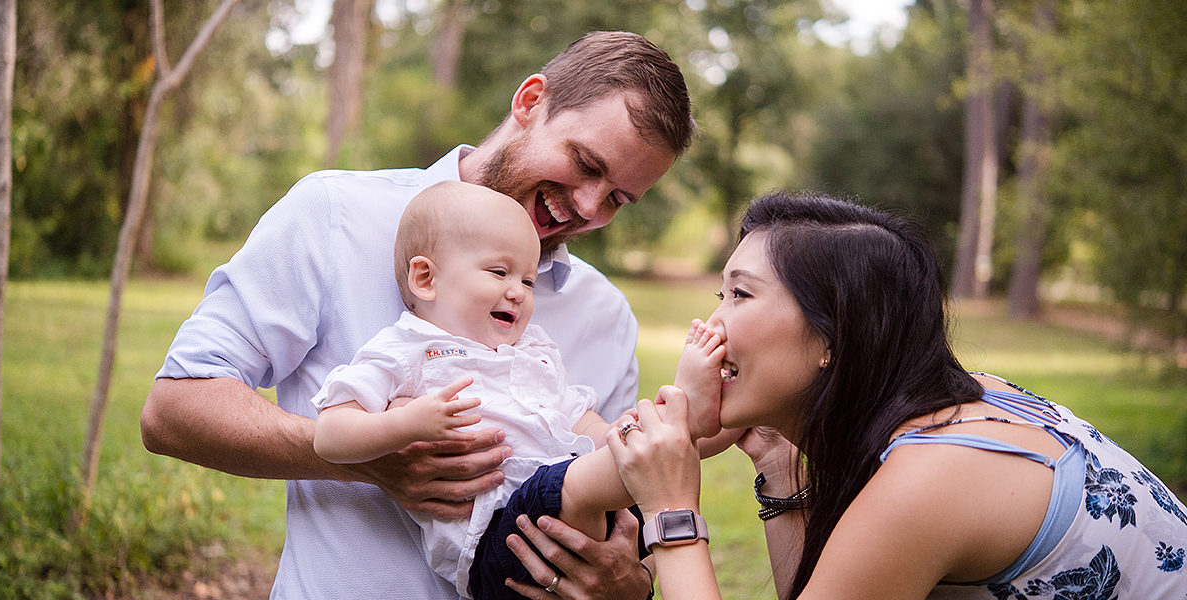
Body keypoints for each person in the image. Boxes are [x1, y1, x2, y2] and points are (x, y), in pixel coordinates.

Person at [140, 31, 695, 599]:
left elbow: (628, 507)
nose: (585, 205)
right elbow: (174, 408)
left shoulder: (606, 314)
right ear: (530, 102)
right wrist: (366, 456)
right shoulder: (335, 216)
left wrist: (631, 584)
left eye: (617, 199)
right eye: (584, 163)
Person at [515, 190, 1187, 599]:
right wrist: (780, 470)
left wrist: (670, 512)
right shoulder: (959, 403)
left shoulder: (931, 479)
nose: (710, 325)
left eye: (741, 295)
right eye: (719, 293)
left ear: (832, 339)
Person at [310, 180, 733, 598]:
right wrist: (405, 424)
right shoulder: (405, 350)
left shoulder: (532, 350)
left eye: (528, 282)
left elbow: (577, 418)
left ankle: (681, 429)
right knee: (586, 478)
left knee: (622, 461)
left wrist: (613, 432)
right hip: (497, 539)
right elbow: (329, 435)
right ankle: (677, 423)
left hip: (576, 514)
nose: (517, 292)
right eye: (499, 272)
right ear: (425, 278)